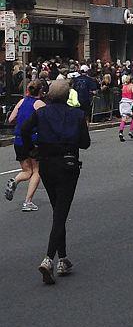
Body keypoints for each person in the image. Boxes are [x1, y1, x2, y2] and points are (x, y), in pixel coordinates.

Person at [20, 79, 90, 285]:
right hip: (68, 165)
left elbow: (24, 129)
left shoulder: (41, 113)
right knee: (61, 212)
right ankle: (49, 258)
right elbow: (85, 144)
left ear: (49, 95)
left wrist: (30, 149)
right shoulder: (77, 115)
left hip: (47, 165)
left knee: (58, 210)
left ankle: (63, 258)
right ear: (68, 96)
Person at [4, 80, 46, 211]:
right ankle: (27, 201)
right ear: (40, 91)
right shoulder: (39, 104)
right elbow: (48, 120)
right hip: (33, 140)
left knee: (27, 171)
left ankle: (14, 181)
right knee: (37, 171)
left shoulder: (22, 101)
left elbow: (11, 119)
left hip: (18, 140)